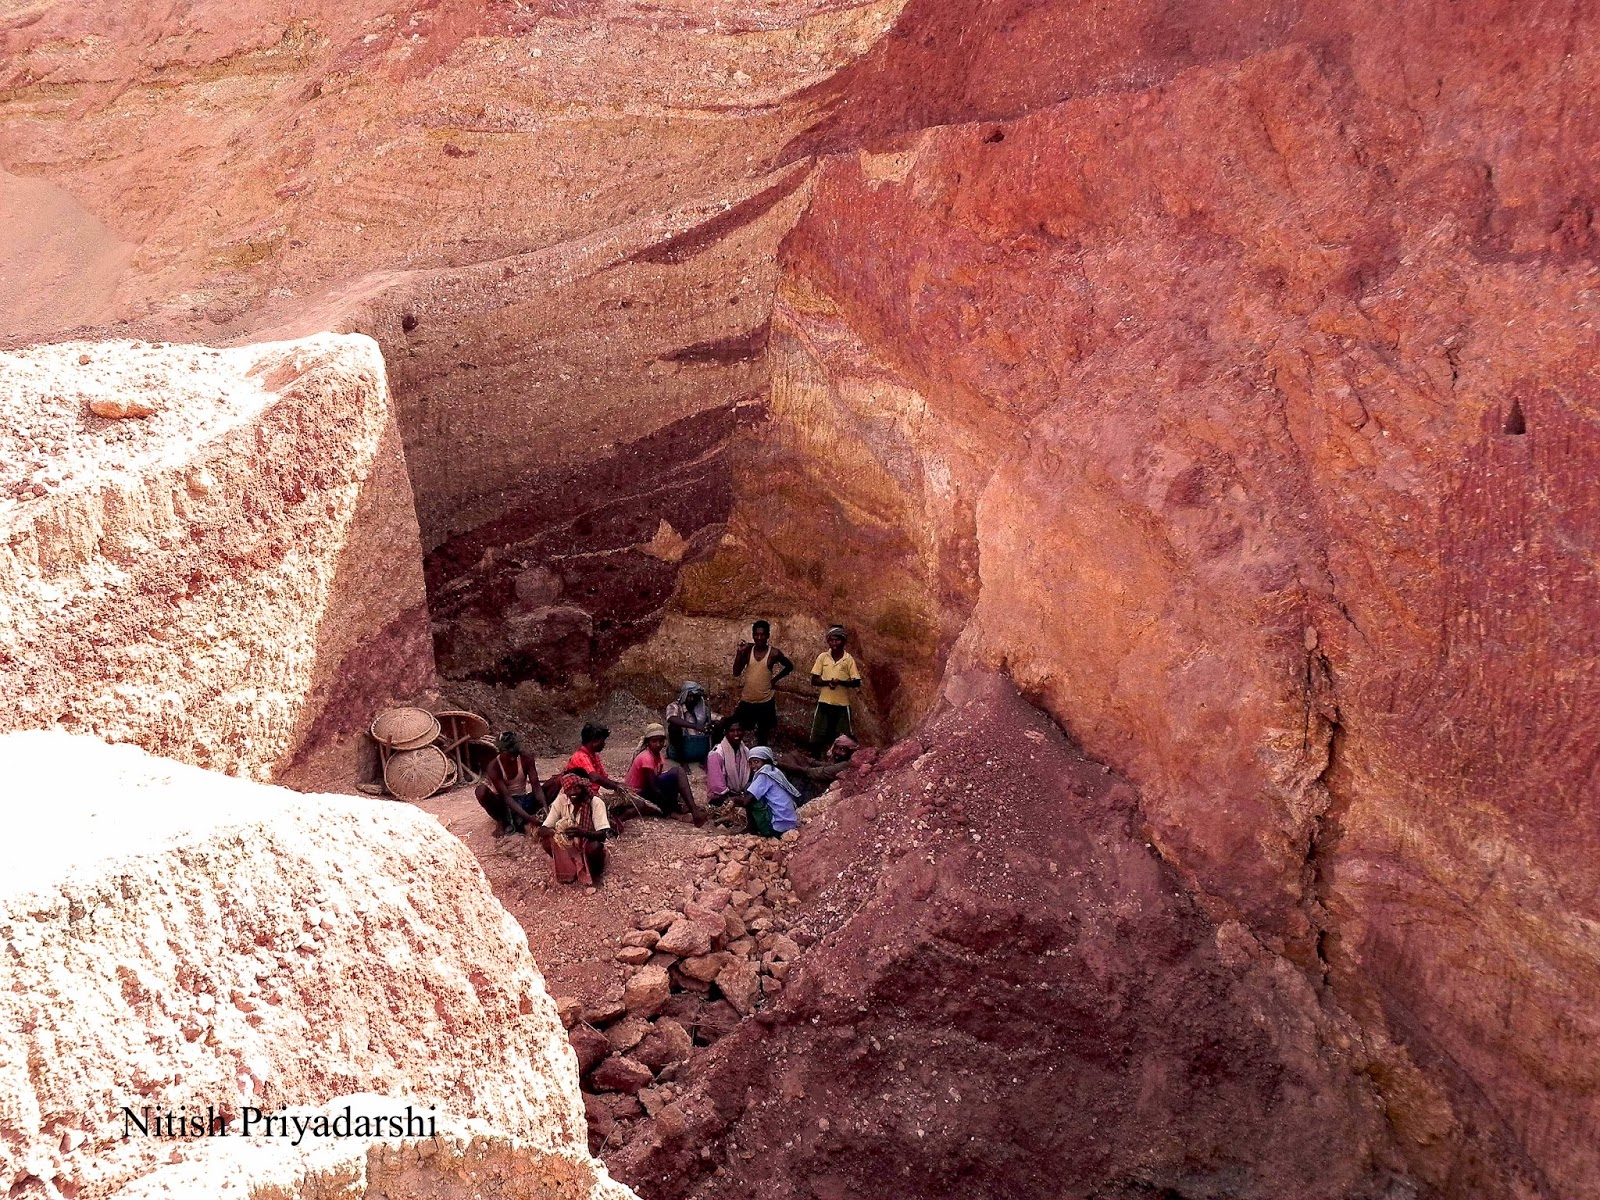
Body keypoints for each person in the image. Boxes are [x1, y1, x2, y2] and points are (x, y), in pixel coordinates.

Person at [563, 721, 661, 818]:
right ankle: (614, 822)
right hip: (582, 799)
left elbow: (604, 778)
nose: (604, 744)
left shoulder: (594, 756)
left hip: (593, 797)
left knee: (637, 803)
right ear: (595, 741)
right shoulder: (581, 756)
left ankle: (611, 818)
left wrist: (619, 786)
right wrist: (618, 787)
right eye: (603, 741)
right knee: (638, 805)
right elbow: (596, 778)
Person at [538, 770, 611, 886]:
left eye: (576, 788)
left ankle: (595, 872)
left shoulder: (596, 803)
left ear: (583, 786)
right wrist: (556, 833)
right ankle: (571, 869)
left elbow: (602, 835)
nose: (573, 792)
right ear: (565, 790)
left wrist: (583, 833)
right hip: (570, 845)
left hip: (586, 842)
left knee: (594, 847)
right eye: (569, 789)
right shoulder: (561, 801)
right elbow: (543, 829)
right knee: (547, 842)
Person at [626, 723, 705, 824]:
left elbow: (658, 779)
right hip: (637, 795)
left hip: (647, 790)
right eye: (654, 741)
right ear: (648, 742)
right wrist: (673, 803)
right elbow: (653, 787)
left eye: (661, 741)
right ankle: (687, 811)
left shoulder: (659, 755)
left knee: (674, 776)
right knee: (678, 772)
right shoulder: (646, 757)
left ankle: (685, 807)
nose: (658, 744)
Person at [731, 621, 793, 746]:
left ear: (768, 635)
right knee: (735, 728)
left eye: (762, 635)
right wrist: (739, 653)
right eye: (756, 635)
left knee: (762, 735)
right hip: (747, 699)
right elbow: (736, 672)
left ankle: (761, 760)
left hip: (765, 702)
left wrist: (775, 680)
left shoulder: (774, 653)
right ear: (753, 635)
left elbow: (789, 666)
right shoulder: (748, 650)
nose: (759, 638)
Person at [475, 731, 542, 835]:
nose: (512, 758)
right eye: (509, 754)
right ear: (500, 751)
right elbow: (507, 798)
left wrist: (545, 807)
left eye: (515, 754)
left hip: (523, 799)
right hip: (504, 804)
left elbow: (537, 787)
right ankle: (501, 821)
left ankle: (526, 817)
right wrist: (530, 819)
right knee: (481, 790)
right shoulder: (494, 767)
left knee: (556, 781)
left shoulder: (526, 758)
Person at [809, 625, 863, 753]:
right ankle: (815, 759)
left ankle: (840, 763)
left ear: (843, 641)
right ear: (828, 641)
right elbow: (814, 679)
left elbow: (856, 682)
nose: (834, 643)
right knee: (818, 734)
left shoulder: (848, 659)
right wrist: (828, 683)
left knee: (843, 736)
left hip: (842, 704)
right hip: (824, 702)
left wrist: (841, 682)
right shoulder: (823, 657)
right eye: (831, 640)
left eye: (837, 640)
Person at [739, 746, 801, 838]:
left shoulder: (764, 775)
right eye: (751, 763)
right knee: (752, 789)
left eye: (756, 762)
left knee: (749, 791)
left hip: (776, 828)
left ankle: (752, 828)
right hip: (789, 824)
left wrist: (732, 800)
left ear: (765, 761)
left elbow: (746, 801)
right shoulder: (774, 771)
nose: (753, 766)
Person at [777, 734, 859, 802]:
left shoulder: (845, 764)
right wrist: (804, 759)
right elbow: (824, 765)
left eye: (842, 749)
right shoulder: (842, 761)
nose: (837, 751)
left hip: (814, 794)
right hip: (815, 786)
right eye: (836, 747)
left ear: (851, 751)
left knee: (790, 771)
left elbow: (817, 772)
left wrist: (788, 765)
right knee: (793, 755)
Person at [665, 681, 716, 765]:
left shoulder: (702, 709)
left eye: (695, 697)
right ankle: (682, 762)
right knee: (674, 728)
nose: (692, 699)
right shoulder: (675, 706)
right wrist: (696, 726)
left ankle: (708, 758)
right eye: (690, 696)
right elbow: (671, 718)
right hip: (682, 749)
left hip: (699, 747)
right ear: (684, 696)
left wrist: (716, 724)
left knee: (717, 725)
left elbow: (717, 717)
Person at [707, 719, 754, 806]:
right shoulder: (716, 754)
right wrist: (737, 797)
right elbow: (717, 787)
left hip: (739, 793)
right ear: (726, 732)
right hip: (721, 796)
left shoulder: (745, 751)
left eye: (739, 730)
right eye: (732, 731)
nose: (736, 734)